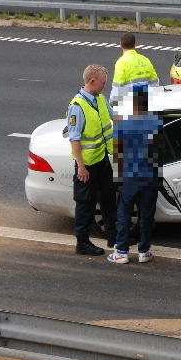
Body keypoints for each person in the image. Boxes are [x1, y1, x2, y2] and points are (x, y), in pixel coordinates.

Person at [108, 84, 162, 264]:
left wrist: (119, 177)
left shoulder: (122, 124)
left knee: (124, 213)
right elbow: (159, 153)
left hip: (130, 177)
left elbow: (118, 154)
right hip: (150, 177)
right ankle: (144, 251)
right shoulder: (156, 123)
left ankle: (121, 251)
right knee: (146, 215)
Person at [66, 64, 117, 256]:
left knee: (108, 198)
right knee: (86, 203)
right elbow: (75, 139)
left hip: (102, 159)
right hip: (86, 166)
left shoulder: (100, 99)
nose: (105, 85)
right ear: (92, 81)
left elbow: (114, 116)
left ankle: (114, 236)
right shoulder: (77, 107)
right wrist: (81, 167)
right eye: (103, 83)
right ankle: (82, 242)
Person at [109, 32, 159, 106]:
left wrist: (111, 104)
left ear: (121, 44)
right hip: (146, 104)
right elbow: (155, 85)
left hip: (129, 106)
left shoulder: (121, 62)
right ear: (135, 44)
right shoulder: (145, 60)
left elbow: (116, 89)